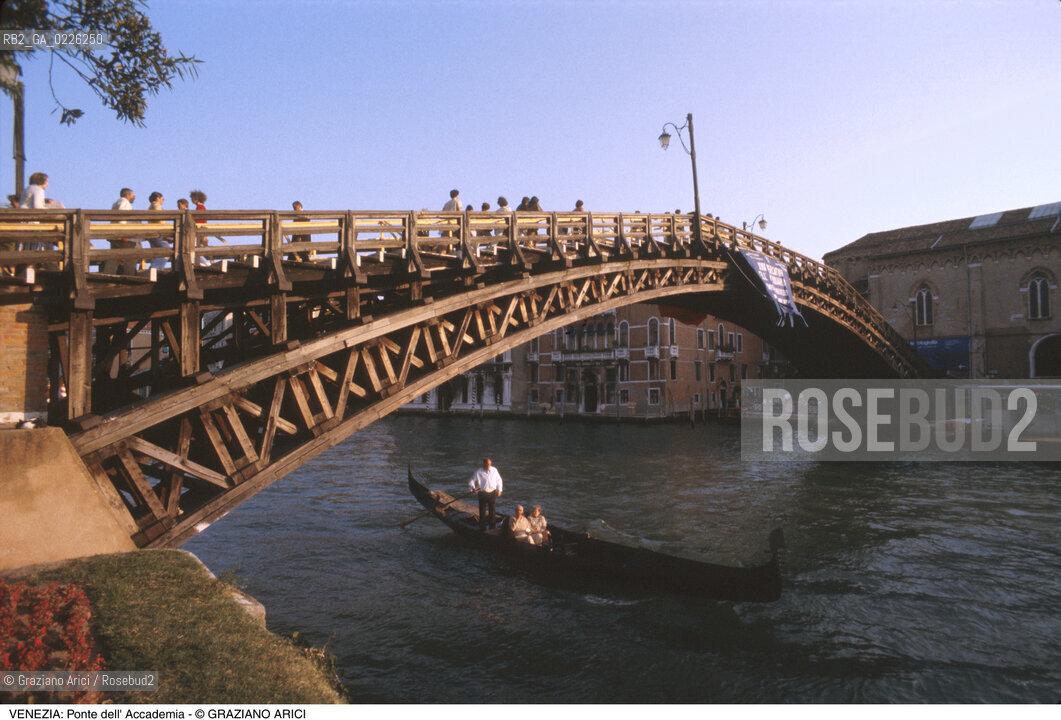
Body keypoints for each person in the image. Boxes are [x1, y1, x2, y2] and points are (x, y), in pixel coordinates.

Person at [104, 187, 136, 274]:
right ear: (127, 195)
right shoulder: (124, 203)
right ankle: (130, 276)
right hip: (122, 235)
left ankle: (108, 274)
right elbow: (122, 218)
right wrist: (124, 234)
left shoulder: (116, 203)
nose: (134, 197)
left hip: (115, 235)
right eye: (133, 195)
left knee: (114, 257)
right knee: (132, 256)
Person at [468, 457, 503, 531]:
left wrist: (499, 490)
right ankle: (482, 527)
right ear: (483, 464)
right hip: (482, 493)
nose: (488, 466)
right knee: (482, 511)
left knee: (492, 510)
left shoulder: (494, 470)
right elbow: (471, 481)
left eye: (489, 464)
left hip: (492, 493)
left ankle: (492, 527)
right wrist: (473, 487)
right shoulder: (478, 472)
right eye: (487, 464)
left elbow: (499, 480)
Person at [147, 191, 170, 270]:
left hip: (151, 233)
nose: (163, 201)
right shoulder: (156, 205)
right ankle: (155, 268)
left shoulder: (150, 206)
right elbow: (160, 218)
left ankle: (155, 269)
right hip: (158, 232)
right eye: (162, 199)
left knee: (156, 253)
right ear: (158, 198)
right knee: (166, 250)